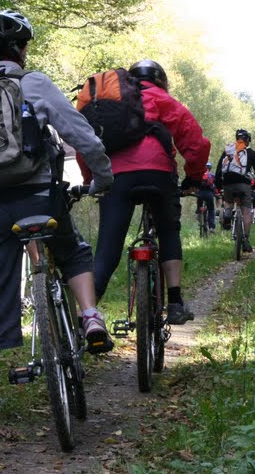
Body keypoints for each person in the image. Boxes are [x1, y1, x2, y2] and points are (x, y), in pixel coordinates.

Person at [0, 9, 115, 420]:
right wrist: (103, 178)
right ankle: (89, 315)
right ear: (22, 49)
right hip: (38, 197)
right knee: (71, 251)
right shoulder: (33, 83)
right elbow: (80, 134)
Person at [86, 59, 211, 326]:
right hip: (158, 174)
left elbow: (87, 140)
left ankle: (86, 318)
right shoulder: (163, 99)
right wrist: (193, 177)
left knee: (107, 246)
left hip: (115, 177)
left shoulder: (111, 103)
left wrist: (91, 181)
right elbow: (195, 141)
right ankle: (175, 302)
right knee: (167, 230)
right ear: (161, 81)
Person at [214, 129, 255, 253]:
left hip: (228, 183)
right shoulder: (250, 152)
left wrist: (219, 186)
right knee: (246, 211)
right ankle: (246, 241)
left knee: (229, 202)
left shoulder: (228, 151)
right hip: (244, 184)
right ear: (247, 140)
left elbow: (219, 169)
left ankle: (227, 213)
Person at [195, 162, 217, 231]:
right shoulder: (212, 176)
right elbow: (215, 186)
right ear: (210, 168)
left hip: (200, 194)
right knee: (211, 209)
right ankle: (211, 227)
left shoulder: (199, 175)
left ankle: (199, 214)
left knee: (199, 203)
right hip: (209, 194)